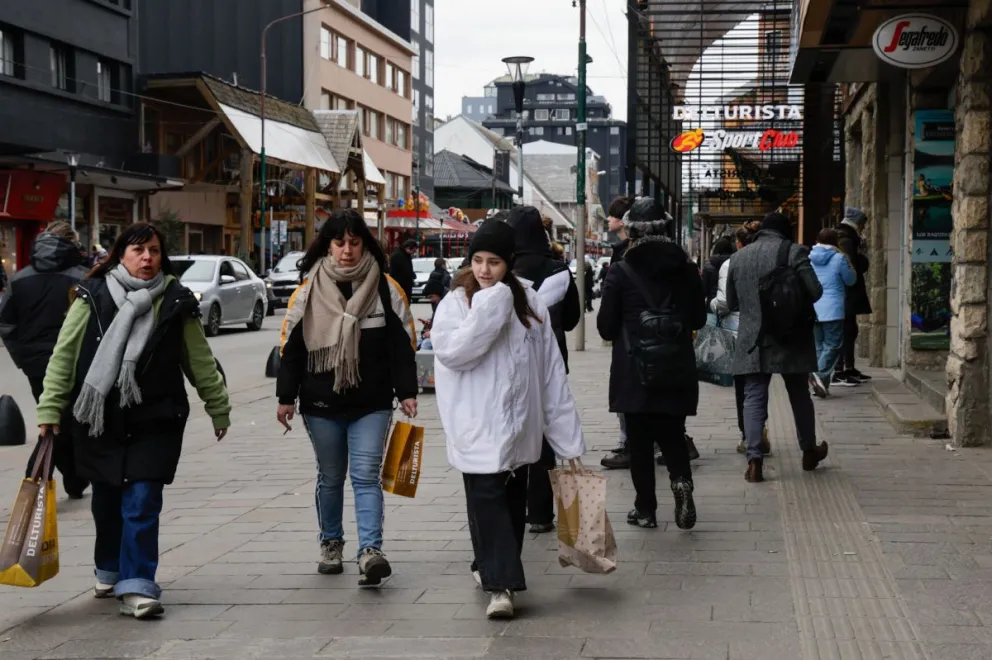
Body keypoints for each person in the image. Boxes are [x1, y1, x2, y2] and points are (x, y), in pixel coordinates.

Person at [36, 222, 230, 619]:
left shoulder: (176, 301)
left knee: (142, 502)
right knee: (107, 501)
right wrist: (49, 410)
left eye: (155, 251)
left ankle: (138, 584)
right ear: (120, 254)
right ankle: (109, 566)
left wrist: (218, 406)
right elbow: (64, 357)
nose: (147, 258)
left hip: (155, 419)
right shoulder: (91, 297)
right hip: (99, 420)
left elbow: (199, 360)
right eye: (138, 250)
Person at [431, 219, 585, 619]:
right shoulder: (457, 302)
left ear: (509, 262)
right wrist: (490, 306)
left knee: (511, 504)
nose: (484, 270)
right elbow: (452, 353)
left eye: (494, 262)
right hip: (475, 423)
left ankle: (489, 566)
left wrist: (567, 438)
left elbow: (550, 371)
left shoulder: (531, 303)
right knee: (486, 499)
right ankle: (502, 585)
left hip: (520, 427)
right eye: (478, 260)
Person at [276, 209, 418, 587]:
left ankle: (370, 551)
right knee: (331, 476)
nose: (347, 251)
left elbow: (402, 344)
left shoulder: (385, 288)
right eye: (339, 242)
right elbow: (292, 348)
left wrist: (407, 392)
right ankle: (331, 543)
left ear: (365, 244)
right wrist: (285, 397)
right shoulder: (308, 290)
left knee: (366, 476)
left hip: (371, 403)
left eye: (355, 242)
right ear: (328, 245)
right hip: (321, 403)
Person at [597, 207, 706, 530]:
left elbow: (605, 327)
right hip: (676, 365)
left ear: (631, 232)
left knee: (640, 441)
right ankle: (682, 482)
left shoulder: (620, 271)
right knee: (673, 433)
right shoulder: (686, 269)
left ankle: (645, 509)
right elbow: (698, 319)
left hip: (635, 368)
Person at [726, 212, 829, 483]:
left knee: (754, 396)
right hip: (791, 335)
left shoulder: (739, 257)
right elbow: (816, 291)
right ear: (786, 232)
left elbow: (732, 302)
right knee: (799, 395)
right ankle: (808, 451)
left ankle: (754, 460)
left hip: (753, 339)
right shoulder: (795, 253)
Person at [0, 222, 90, 498]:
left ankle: (70, 479)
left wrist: (24, 359)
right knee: (72, 422)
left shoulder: (19, 280)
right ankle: (56, 480)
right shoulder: (83, 278)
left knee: (54, 420)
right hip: (76, 363)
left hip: (36, 365)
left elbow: (7, 325)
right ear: (71, 245)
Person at [505, 205, 580, 534]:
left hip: (507, 367)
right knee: (546, 433)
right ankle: (540, 513)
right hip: (550, 364)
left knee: (511, 432)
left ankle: (510, 507)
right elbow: (574, 317)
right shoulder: (559, 270)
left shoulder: (500, 269)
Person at [711, 221, 771, 456]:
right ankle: (760, 430)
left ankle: (748, 436)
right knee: (761, 385)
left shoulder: (732, 262)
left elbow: (725, 302)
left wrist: (711, 304)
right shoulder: (769, 258)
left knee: (743, 388)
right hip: (766, 330)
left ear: (738, 243)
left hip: (738, 331)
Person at [601, 196, 633, 470]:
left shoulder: (623, 253)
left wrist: (608, 329)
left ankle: (627, 443)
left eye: (612, 216)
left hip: (628, 334)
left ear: (623, 220)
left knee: (625, 389)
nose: (608, 220)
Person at [809, 228, 856, 398]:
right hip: (833, 308)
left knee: (819, 346)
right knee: (834, 345)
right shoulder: (839, 258)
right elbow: (851, 280)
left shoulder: (809, 258)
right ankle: (819, 375)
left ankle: (821, 386)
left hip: (813, 306)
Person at [835, 207, 872, 386]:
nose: (864, 227)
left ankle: (847, 368)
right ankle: (841, 369)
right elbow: (851, 267)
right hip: (846, 293)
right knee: (847, 331)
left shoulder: (845, 237)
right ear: (857, 222)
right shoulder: (847, 239)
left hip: (845, 293)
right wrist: (863, 256)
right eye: (863, 223)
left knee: (849, 330)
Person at [702, 236, 735, 309]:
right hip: (731, 307)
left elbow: (704, 290)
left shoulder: (708, 265)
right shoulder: (735, 263)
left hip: (712, 306)